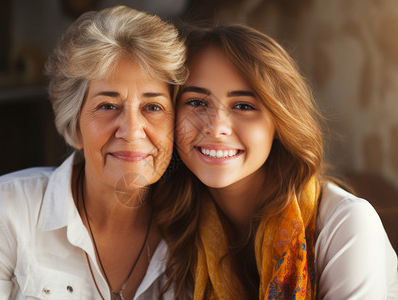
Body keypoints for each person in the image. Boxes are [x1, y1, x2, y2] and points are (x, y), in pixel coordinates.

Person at [0, 6, 187, 300]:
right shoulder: (1, 213)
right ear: (75, 126)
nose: (132, 130)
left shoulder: (198, 232)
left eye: (153, 107)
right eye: (108, 106)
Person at [153, 24, 398, 299]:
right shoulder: (171, 226)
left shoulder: (346, 225)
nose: (216, 127)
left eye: (243, 106)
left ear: (279, 124)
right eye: (197, 102)